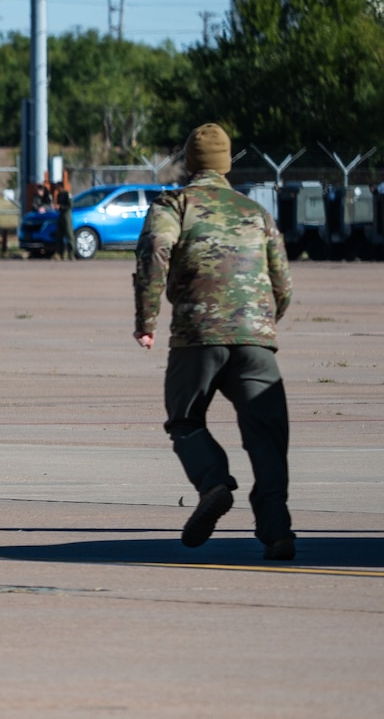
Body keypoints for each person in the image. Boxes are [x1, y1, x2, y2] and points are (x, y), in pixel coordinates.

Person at [135, 124, 295, 560]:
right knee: (267, 436)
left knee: (185, 419)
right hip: (256, 340)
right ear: (226, 164)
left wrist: (146, 320)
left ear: (190, 162)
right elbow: (282, 282)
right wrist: (261, 324)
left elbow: (155, 251)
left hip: (197, 336)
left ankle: (214, 483)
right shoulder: (255, 212)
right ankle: (277, 530)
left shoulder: (175, 204)